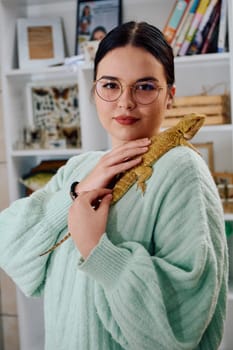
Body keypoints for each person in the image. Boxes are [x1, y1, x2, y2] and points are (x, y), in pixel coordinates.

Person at [0, 21, 228, 350]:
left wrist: (97, 250)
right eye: (110, 85)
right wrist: (75, 196)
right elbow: (12, 247)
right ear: (94, 91)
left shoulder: (182, 169)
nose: (125, 102)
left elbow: (186, 319)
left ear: (170, 97)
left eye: (145, 87)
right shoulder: (78, 168)